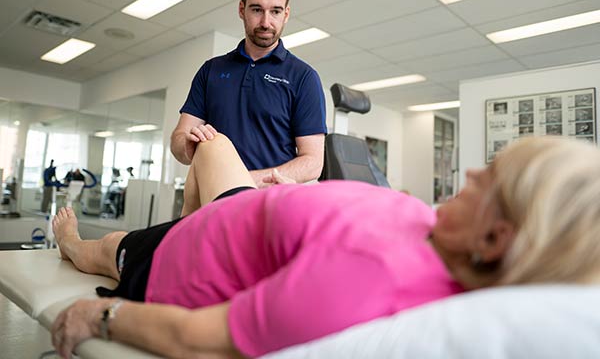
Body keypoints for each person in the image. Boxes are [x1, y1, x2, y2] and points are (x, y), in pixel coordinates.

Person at [50, 135, 600, 358]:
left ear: (496, 236)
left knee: (101, 250)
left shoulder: (368, 281)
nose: (475, 171)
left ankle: (71, 243)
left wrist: (101, 314)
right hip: (238, 213)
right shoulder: (437, 228)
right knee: (212, 146)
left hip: (173, 257)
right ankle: (193, 208)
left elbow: (204, 342)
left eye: (492, 178)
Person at [170, 0, 327, 190]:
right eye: (257, 9)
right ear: (242, 10)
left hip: (267, 204)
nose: (265, 22)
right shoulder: (211, 70)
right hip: (212, 200)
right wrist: (188, 144)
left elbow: (312, 162)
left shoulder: (304, 77)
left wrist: (242, 182)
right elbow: (178, 139)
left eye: (275, 11)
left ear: (286, 14)